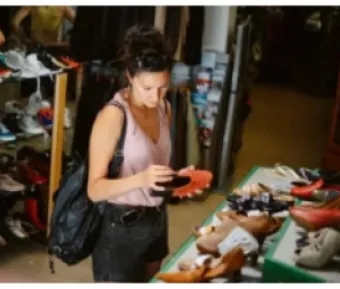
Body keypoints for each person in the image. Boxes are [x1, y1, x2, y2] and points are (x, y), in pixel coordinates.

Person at [84, 25, 205, 282]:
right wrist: (142, 179)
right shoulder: (113, 117)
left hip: (157, 219)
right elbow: (94, 189)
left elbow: (153, 168)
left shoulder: (165, 108)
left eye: (162, 86)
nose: (156, 96)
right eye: (147, 88)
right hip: (120, 228)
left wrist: (176, 178)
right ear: (130, 76)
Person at [11, 6, 76, 47]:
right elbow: (14, 22)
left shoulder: (63, 7)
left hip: (51, 48)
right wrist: (24, 40)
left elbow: (14, 22)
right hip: (38, 48)